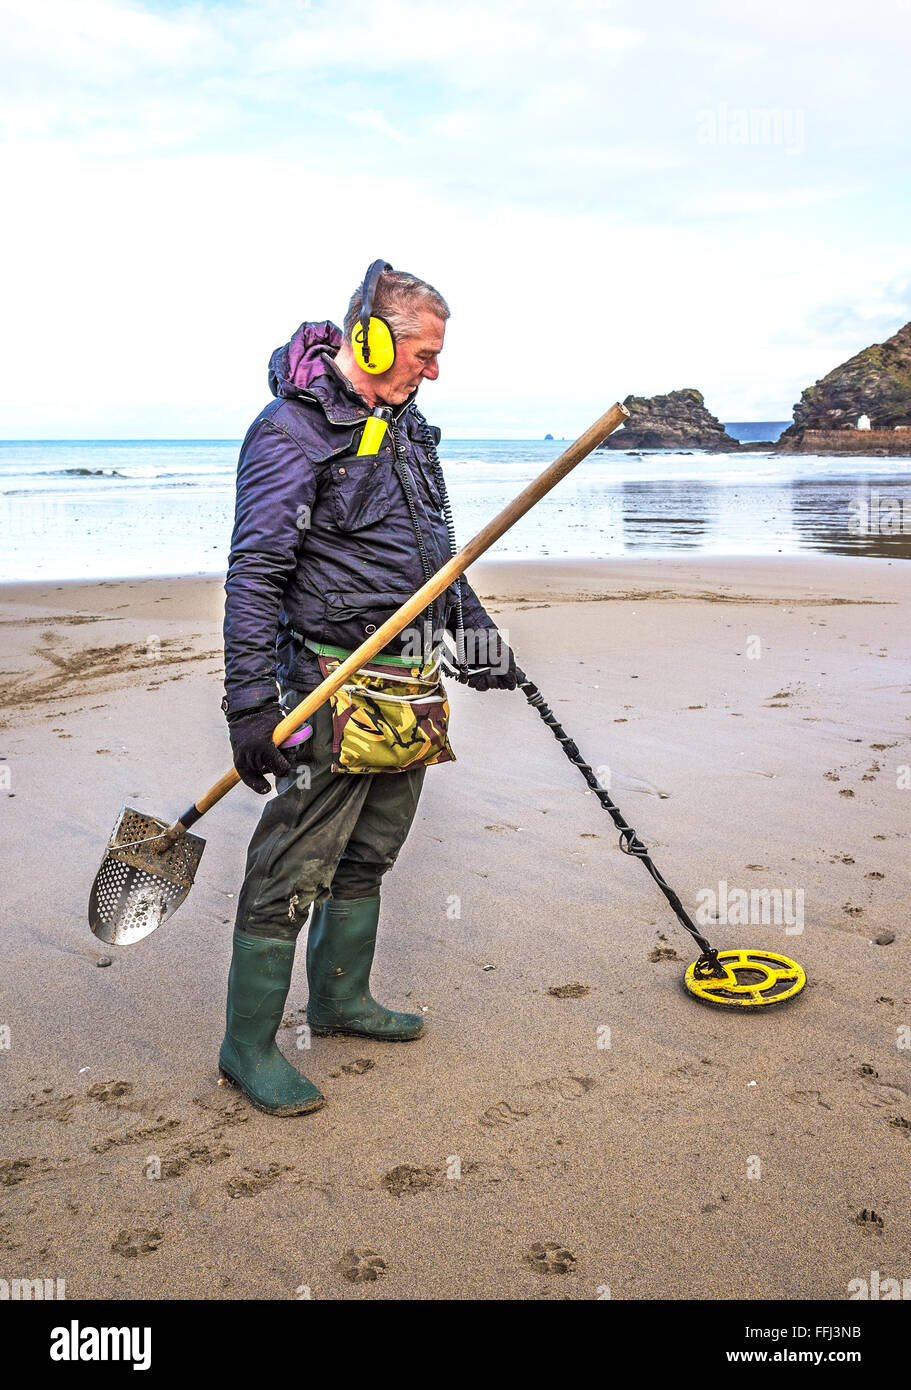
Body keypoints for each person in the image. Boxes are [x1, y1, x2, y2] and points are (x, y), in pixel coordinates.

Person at [219, 262, 516, 1116]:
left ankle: (342, 1001)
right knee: (291, 865)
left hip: (409, 679)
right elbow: (256, 570)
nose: (434, 371)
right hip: (326, 682)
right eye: (423, 353)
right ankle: (246, 1048)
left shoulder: (409, 429)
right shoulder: (292, 431)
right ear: (372, 337)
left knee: (369, 852)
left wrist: (473, 631)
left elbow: (435, 557)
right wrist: (249, 704)